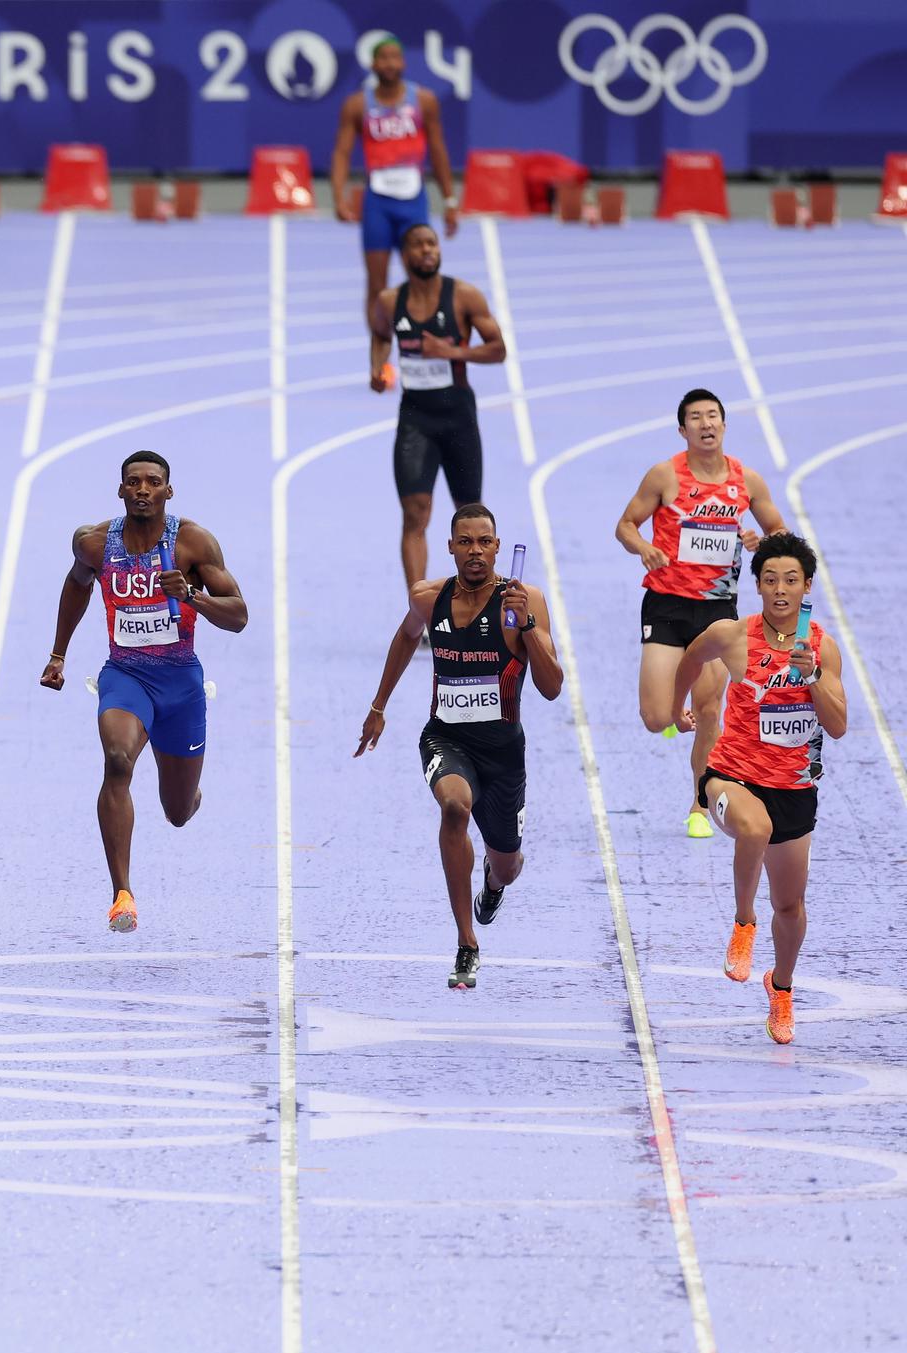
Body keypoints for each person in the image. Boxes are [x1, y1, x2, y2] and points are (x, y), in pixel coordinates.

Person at [354, 504, 564, 990]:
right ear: (449, 547)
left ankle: (492, 880)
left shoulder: (526, 600)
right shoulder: (428, 598)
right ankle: (466, 941)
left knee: (509, 867)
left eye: (483, 542)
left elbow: (552, 688)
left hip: (503, 752)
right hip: (445, 736)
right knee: (453, 807)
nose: (475, 551)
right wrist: (379, 705)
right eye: (464, 542)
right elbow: (406, 638)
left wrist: (527, 628)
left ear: (497, 545)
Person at [41, 451, 247, 935]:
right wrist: (58, 654)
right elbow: (76, 587)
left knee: (177, 813)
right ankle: (122, 895)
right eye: (132, 482)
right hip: (125, 676)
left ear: (167, 492)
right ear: (120, 490)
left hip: (180, 685)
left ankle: (188, 793)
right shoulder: (94, 544)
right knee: (117, 759)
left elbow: (239, 615)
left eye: (152, 482)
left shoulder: (193, 543)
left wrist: (191, 596)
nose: (142, 489)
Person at [673, 533, 845, 1045]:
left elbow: (837, 726)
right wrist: (679, 707)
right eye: (770, 580)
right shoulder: (732, 636)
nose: (780, 589)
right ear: (758, 586)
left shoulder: (821, 647)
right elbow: (690, 656)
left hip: (794, 788)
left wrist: (812, 679)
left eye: (790, 580)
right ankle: (743, 923)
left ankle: (782, 987)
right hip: (731, 775)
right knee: (754, 827)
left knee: (790, 909)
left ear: (806, 586)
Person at [613, 388, 788, 837]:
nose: (706, 424)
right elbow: (625, 525)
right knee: (656, 719)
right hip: (667, 606)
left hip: (717, 612)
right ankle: (672, 712)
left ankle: (698, 803)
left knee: (710, 710)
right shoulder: (664, 476)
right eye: (696, 417)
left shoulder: (747, 481)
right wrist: (645, 548)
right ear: (683, 429)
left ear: (724, 426)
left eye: (713, 416)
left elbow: (779, 533)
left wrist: (760, 543)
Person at [370, 223, 505, 594]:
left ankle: (478, 595)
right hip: (415, 417)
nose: (427, 250)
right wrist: (377, 367)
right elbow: (381, 335)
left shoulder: (464, 296)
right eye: (418, 244)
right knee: (415, 513)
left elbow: (498, 349)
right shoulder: (389, 302)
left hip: (458, 416)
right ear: (405, 254)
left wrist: (452, 352)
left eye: (432, 243)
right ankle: (420, 603)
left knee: (472, 517)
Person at [331, 35, 458, 322]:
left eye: (395, 57)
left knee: (423, 282)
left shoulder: (424, 101)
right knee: (377, 286)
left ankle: (423, 346)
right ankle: (381, 362)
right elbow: (341, 153)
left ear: (403, 62)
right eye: (383, 57)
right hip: (377, 203)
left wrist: (449, 199)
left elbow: (438, 151)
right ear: (373, 64)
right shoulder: (356, 105)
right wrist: (338, 197)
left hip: (414, 201)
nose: (389, 63)